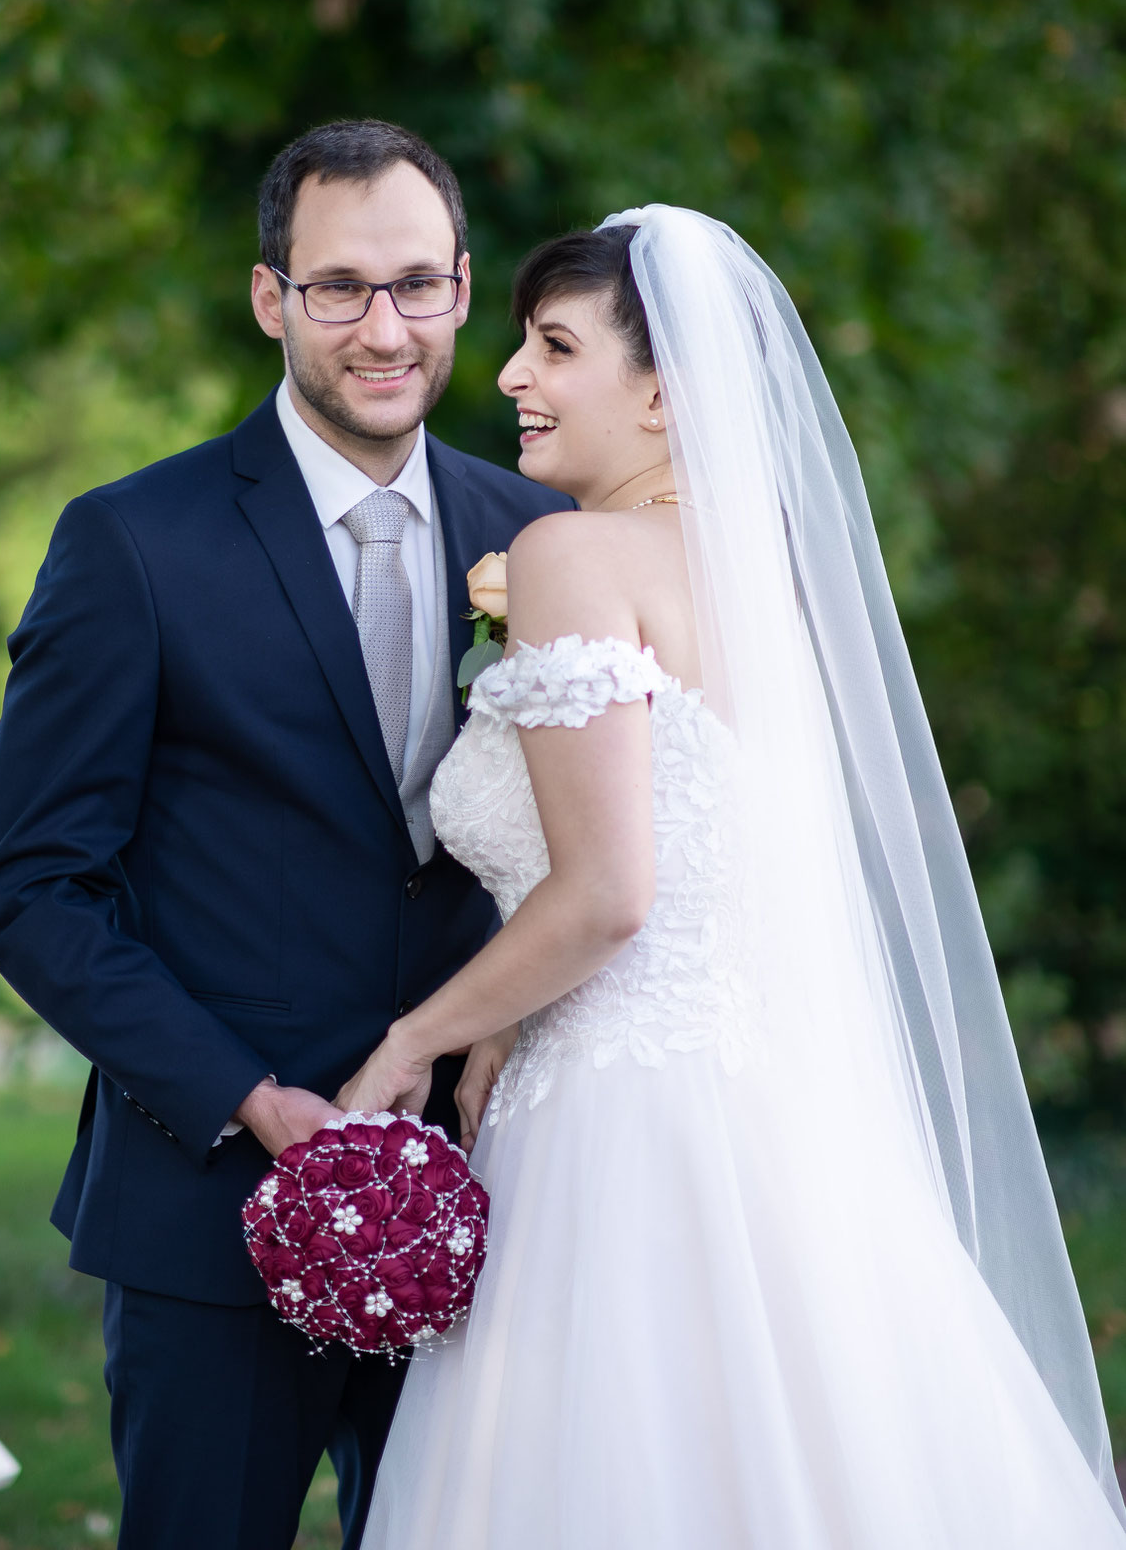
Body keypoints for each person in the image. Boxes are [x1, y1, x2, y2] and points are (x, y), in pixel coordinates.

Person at [340, 207, 1126, 1548]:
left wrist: (416, 1037)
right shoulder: (765, 585)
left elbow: (609, 894)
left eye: (552, 347)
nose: (511, 378)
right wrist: (514, 1014)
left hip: (619, 1130)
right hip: (775, 1114)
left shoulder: (566, 555)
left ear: (665, 394)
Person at [0, 120, 570, 1550]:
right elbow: (33, 888)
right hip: (212, 1216)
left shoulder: (537, 531)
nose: (384, 327)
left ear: (464, 290)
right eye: (340, 287)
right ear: (269, 298)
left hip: (489, 1201)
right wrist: (246, 1098)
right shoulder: (133, 542)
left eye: (416, 285)